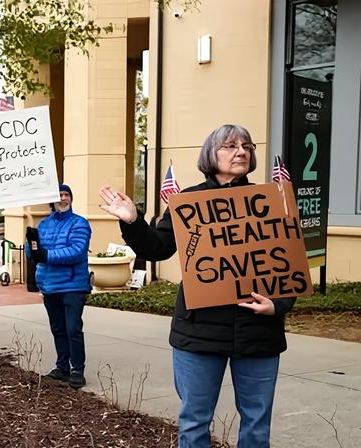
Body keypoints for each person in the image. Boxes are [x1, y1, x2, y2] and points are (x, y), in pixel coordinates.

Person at [99, 124, 295, 448]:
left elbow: (288, 263)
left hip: (259, 332)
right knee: (194, 422)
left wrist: (279, 305)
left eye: (247, 146)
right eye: (230, 146)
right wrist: (132, 221)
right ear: (210, 154)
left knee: (257, 425)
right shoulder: (188, 201)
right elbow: (157, 248)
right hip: (199, 332)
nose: (241, 152)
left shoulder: (271, 200)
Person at [25, 184, 92, 389]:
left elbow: (76, 251)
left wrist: (45, 255)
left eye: (66, 195)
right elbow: (33, 254)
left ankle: (77, 370)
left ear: (71, 198)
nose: (63, 198)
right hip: (50, 285)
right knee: (58, 329)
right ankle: (62, 367)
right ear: (52, 201)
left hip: (73, 286)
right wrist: (31, 243)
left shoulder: (79, 223)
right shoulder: (43, 225)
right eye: (59, 195)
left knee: (73, 329)